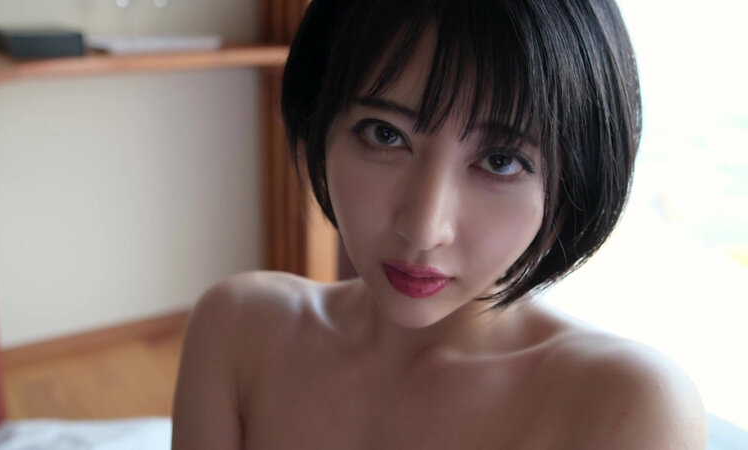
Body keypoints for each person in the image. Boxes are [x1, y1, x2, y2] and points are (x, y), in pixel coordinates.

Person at [172, 0, 707, 448]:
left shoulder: (628, 407)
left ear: (574, 181)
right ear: (320, 124)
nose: (425, 229)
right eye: (385, 134)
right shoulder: (238, 333)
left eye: (501, 161)